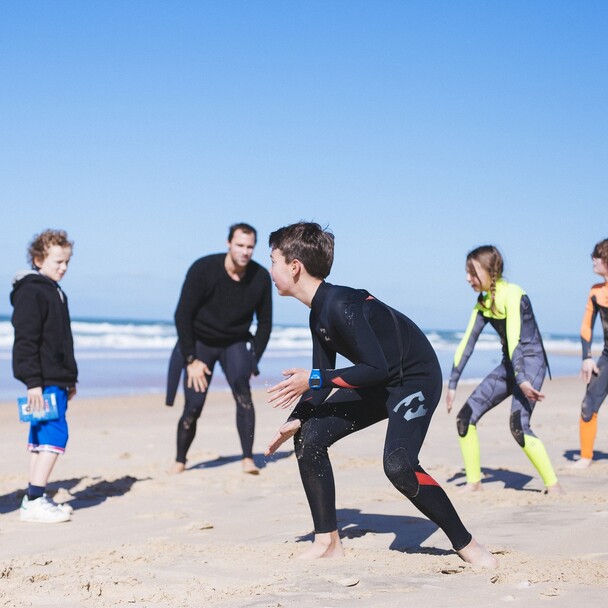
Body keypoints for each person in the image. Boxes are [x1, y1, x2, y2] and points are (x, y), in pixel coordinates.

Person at [264, 222, 496, 567]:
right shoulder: (319, 314)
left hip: (413, 379)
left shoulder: (343, 303)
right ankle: (327, 541)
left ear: (294, 266)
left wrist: (313, 379)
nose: (271, 270)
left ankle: (468, 545)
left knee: (399, 465)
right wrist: (297, 417)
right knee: (309, 437)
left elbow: (373, 370)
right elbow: (323, 379)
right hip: (378, 379)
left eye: (273, 260)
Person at [446, 245, 562, 493]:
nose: (468, 278)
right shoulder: (483, 303)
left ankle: (554, 485)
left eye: (473, 272)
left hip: (531, 365)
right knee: (465, 418)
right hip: (511, 366)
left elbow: (515, 338)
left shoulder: (514, 294)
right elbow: (467, 343)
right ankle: (474, 483)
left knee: (518, 424)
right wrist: (452, 384)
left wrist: (521, 379)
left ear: (490, 271)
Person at [168, 222, 272, 475]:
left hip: (234, 342)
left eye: (250, 247)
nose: (245, 252)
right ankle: (180, 460)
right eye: (240, 245)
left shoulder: (259, 277)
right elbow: (182, 315)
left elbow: (265, 323)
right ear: (229, 243)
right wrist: (191, 359)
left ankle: (248, 458)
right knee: (194, 404)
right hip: (200, 342)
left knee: (244, 396)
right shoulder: (203, 269)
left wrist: (253, 358)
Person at [11, 229, 78, 523]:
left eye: (66, 262)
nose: (63, 267)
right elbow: (26, 340)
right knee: (54, 433)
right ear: (39, 259)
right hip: (43, 380)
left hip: (57, 378)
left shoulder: (54, 290)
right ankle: (34, 500)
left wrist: (70, 379)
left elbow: (63, 341)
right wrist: (33, 383)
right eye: (57, 262)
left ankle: (35, 495)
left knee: (40, 437)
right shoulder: (32, 291)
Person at [572, 238, 608, 469]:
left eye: (597, 256)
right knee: (588, 405)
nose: (593, 261)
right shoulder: (596, 292)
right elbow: (586, 326)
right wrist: (587, 357)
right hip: (606, 357)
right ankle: (586, 457)